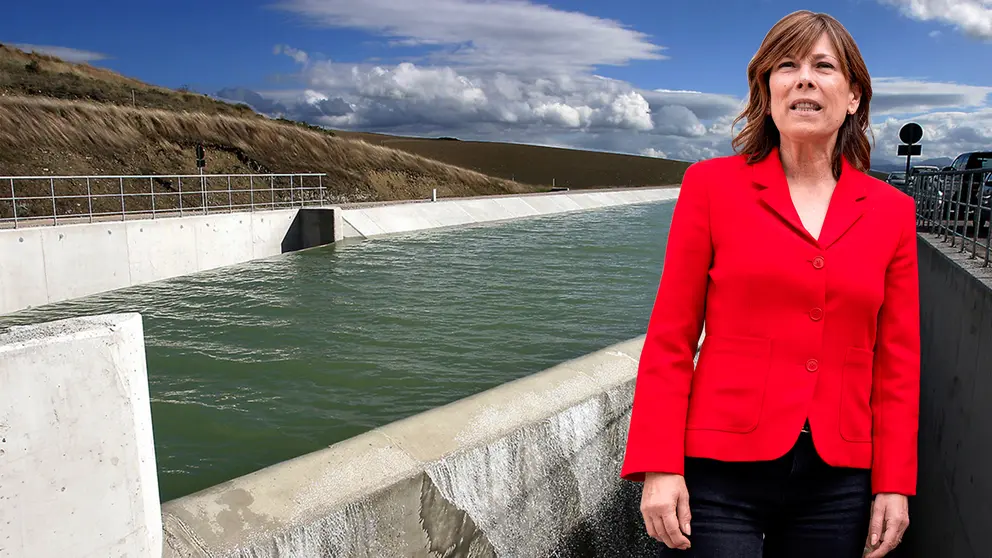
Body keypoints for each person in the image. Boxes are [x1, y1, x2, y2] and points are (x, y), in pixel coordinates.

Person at [620, 10, 920, 558]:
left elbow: (896, 361)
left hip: (838, 480)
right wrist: (659, 466)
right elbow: (670, 336)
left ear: (853, 96)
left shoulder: (892, 213)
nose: (804, 77)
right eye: (787, 65)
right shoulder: (710, 187)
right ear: (767, 89)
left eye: (823, 66)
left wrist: (894, 482)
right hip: (716, 477)